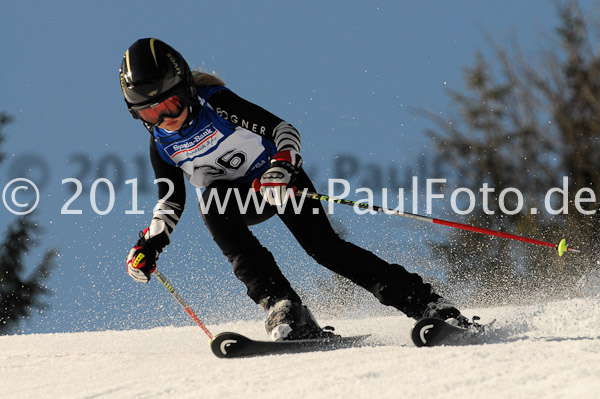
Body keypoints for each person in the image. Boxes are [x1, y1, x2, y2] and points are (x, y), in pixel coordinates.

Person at [121, 38, 465, 341]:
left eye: (171, 105)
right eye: (150, 113)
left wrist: (281, 166)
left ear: (187, 90)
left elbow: (283, 130)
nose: (165, 119)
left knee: (325, 250)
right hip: (238, 202)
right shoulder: (162, 145)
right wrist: (150, 243)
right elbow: (170, 200)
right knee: (212, 200)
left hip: (280, 183)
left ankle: (428, 304)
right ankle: (283, 306)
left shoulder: (218, 104)